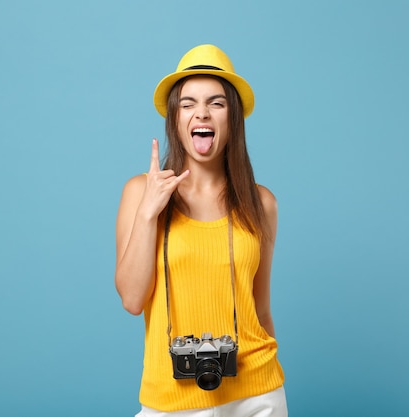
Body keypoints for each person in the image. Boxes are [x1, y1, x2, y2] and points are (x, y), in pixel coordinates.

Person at [115, 44, 287, 416]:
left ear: (233, 118)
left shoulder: (262, 203)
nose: (202, 113)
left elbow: (260, 308)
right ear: (175, 118)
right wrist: (148, 213)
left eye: (217, 103)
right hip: (173, 396)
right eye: (188, 103)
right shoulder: (140, 193)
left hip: (257, 392)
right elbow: (131, 300)